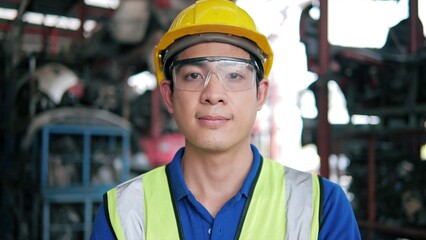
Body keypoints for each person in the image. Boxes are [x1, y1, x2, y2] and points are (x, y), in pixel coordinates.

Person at [90, 0, 361, 239]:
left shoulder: (321, 208)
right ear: (169, 95)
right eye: (194, 75)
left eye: (234, 75)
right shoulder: (123, 213)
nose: (214, 94)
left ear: (260, 94)